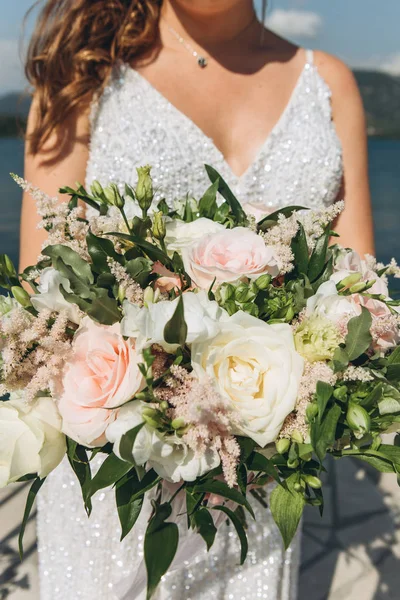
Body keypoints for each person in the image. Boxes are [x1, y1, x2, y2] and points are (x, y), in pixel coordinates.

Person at [20, 1, 375, 598]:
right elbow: (42, 291)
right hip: (118, 489)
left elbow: (360, 291)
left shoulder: (328, 83)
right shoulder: (81, 77)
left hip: (260, 490)